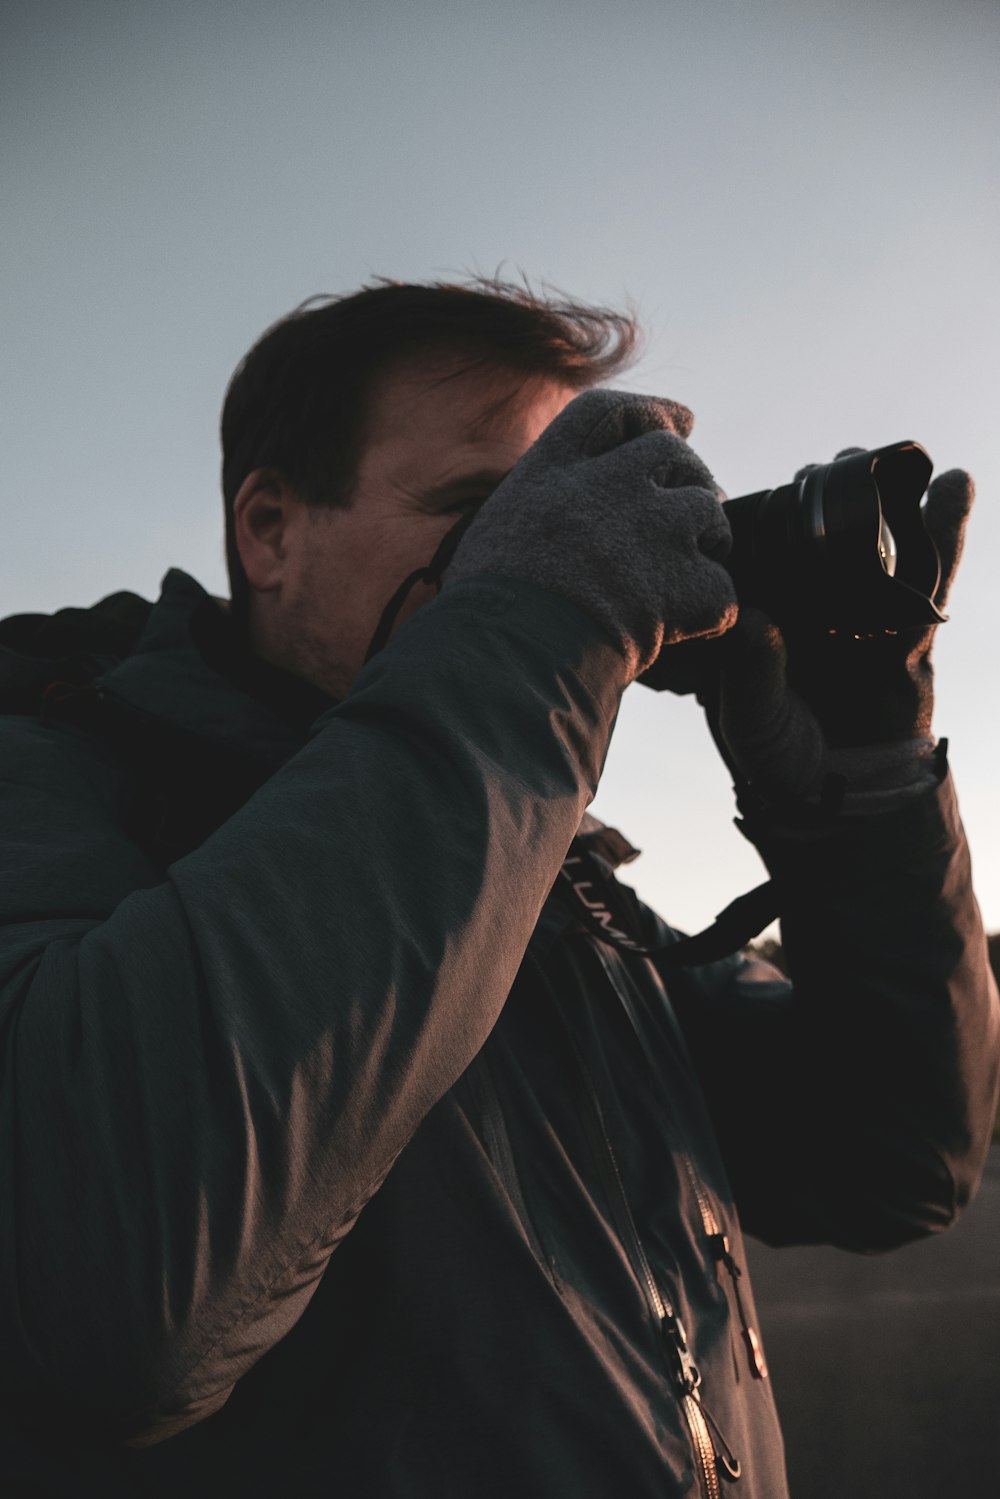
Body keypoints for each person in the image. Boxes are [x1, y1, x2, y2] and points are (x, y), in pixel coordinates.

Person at [0, 277, 996, 1499]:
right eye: (485, 514)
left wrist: (863, 786)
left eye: (570, 513)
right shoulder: (55, 779)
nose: (567, 553)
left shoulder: (565, 890)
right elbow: (116, 1292)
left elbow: (889, 1158)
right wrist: (530, 632)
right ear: (269, 529)